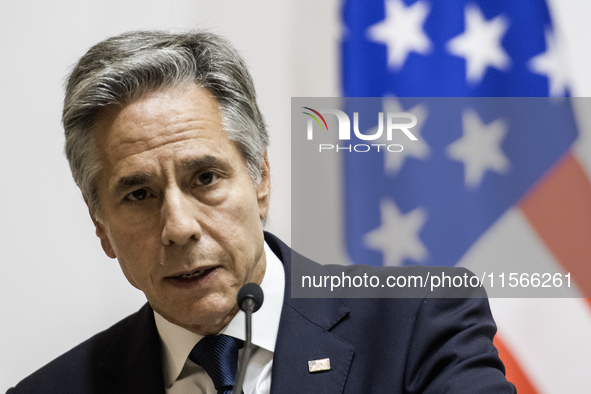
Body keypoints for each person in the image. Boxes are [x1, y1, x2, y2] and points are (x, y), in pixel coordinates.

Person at [7, 30, 515, 393]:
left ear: (261, 181)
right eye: (138, 195)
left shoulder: (418, 319)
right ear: (101, 225)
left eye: (204, 178)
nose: (179, 228)